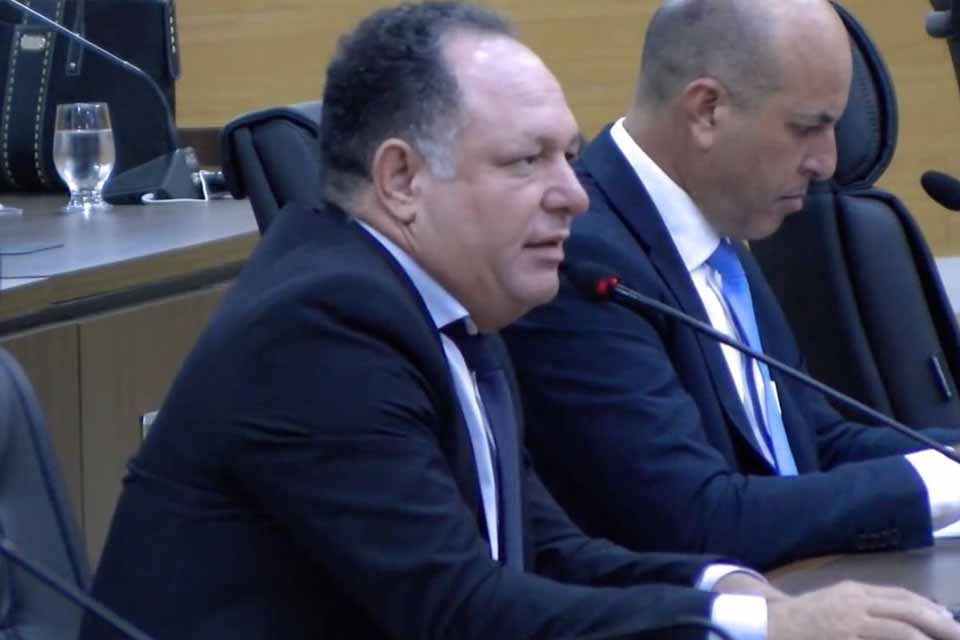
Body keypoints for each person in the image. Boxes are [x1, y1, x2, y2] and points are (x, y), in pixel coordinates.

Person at [80, 2, 960, 640]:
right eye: (527, 161)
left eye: (568, 156)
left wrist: (731, 593)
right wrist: (755, 628)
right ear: (401, 180)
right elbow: (460, 611)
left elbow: (550, 552)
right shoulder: (321, 329)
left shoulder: (451, 300)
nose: (574, 195)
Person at [503, 0, 960, 574]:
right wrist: (936, 485)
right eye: (808, 127)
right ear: (707, 110)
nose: (827, 162)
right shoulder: (581, 261)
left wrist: (950, 460)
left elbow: (813, 441)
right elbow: (693, 519)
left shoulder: (717, 229)